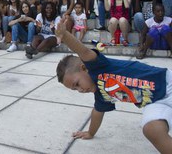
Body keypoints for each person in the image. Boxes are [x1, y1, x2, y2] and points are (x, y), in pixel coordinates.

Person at [55, 18, 172, 154]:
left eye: (77, 84)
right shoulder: (101, 94)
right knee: (151, 129)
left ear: (84, 68)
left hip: (167, 84)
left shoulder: (97, 66)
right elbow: (97, 113)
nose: (80, 90)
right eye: (75, 89)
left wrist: (65, 35)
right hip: (155, 103)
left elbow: (83, 52)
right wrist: (90, 133)